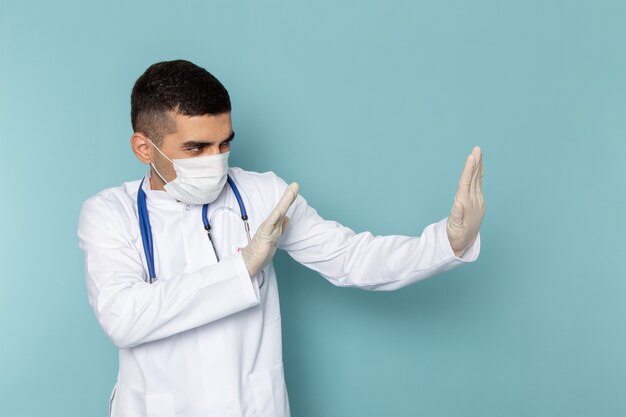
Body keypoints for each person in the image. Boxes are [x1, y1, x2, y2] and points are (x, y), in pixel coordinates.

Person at [78, 59, 485, 417]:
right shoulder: (109, 214)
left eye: (224, 144)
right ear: (144, 149)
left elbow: (350, 258)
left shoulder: (264, 195)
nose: (215, 160)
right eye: (196, 147)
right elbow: (123, 318)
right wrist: (243, 267)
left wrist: (447, 242)